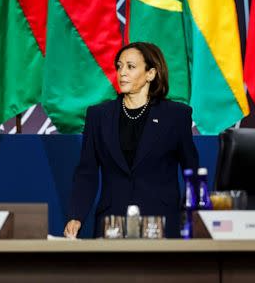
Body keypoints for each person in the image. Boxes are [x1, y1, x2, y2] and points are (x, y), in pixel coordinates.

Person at [64, 42, 199, 238]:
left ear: (150, 74)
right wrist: (76, 216)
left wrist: (192, 219)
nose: (122, 73)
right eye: (119, 66)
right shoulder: (98, 116)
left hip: (161, 223)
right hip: (111, 223)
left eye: (131, 66)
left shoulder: (176, 116)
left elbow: (192, 171)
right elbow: (87, 172)